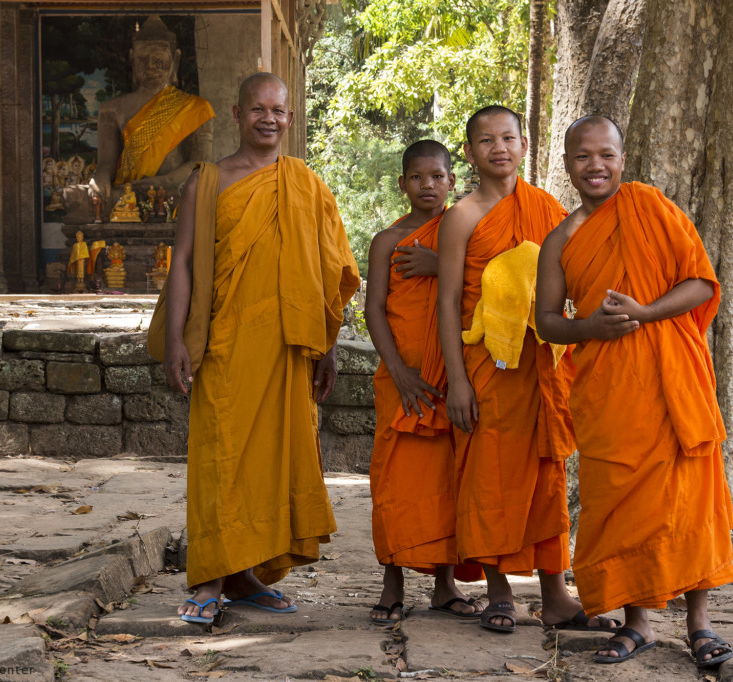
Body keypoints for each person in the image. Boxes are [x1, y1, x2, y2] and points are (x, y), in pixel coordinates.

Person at [159, 72, 361, 625]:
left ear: (290, 117)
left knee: (273, 460)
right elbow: (184, 264)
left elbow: (330, 274)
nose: (268, 119)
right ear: (237, 112)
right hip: (226, 341)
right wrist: (177, 339)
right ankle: (206, 575)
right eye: (257, 109)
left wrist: (330, 346)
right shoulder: (208, 181)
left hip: (290, 345)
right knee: (220, 458)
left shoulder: (305, 184)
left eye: (279, 110)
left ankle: (244, 576)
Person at [535, 114, 733, 668]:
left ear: (622, 159)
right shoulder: (562, 238)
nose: (595, 166)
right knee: (617, 499)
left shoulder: (653, 209)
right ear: (568, 163)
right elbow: (547, 320)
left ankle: (700, 623)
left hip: (672, 376)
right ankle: (636, 623)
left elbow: (700, 282)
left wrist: (645, 313)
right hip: (607, 387)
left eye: (606, 155)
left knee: (687, 500)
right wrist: (589, 329)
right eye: (582, 156)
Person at [437, 106, 619, 634]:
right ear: (470, 152)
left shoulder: (547, 207)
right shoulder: (464, 216)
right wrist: (457, 379)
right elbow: (448, 302)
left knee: (546, 476)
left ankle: (556, 595)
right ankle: (498, 593)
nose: (500, 148)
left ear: (524, 145)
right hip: (488, 367)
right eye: (486, 140)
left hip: (542, 366)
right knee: (491, 476)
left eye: (509, 138)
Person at [365, 140, 485, 624]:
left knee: (448, 481)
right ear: (402, 184)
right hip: (404, 379)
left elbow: (489, 282)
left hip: (452, 375)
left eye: (437, 176)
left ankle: (443, 585)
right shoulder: (387, 241)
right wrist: (400, 372)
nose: (428, 186)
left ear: (452, 182)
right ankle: (391, 582)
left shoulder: (464, 233)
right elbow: (373, 310)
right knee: (395, 480)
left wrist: (441, 264)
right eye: (417, 177)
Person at [90, 16, 214, 209]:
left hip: (172, 191)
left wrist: (161, 183)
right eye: (142, 59)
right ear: (132, 59)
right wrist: (100, 180)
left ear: (176, 59)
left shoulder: (196, 107)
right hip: (127, 193)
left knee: (194, 199)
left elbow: (200, 163)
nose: (150, 66)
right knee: (77, 197)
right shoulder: (111, 109)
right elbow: (106, 164)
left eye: (159, 60)